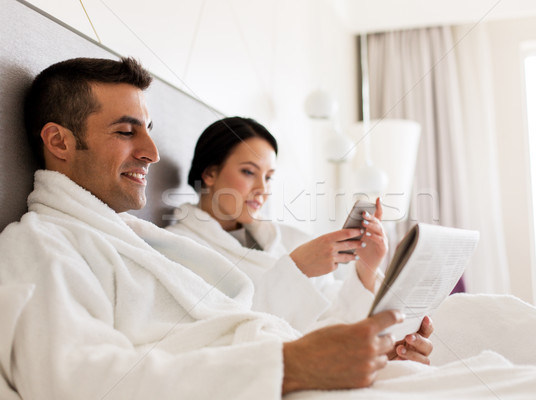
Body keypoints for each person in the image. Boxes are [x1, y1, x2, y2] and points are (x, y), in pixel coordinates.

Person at [0, 57, 433, 399]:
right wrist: (293, 365)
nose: (152, 152)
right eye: (126, 131)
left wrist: (371, 349)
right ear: (58, 141)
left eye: (149, 131)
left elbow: (246, 325)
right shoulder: (40, 245)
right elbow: (77, 382)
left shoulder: (140, 241)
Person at [167, 117, 418, 334]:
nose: (263, 190)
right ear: (209, 174)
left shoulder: (286, 239)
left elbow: (334, 312)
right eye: (248, 172)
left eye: (268, 177)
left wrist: (367, 268)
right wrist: (296, 269)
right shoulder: (177, 250)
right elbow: (221, 333)